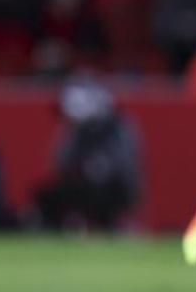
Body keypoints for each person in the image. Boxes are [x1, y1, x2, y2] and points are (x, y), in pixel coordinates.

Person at [33, 78, 142, 231]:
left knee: (99, 190)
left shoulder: (117, 129)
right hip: (81, 188)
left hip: (113, 190)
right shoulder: (75, 132)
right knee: (47, 193)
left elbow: (123, 169)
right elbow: (61, 163)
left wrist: (95, 167)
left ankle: (112, 225)